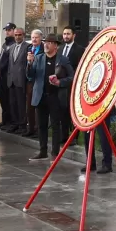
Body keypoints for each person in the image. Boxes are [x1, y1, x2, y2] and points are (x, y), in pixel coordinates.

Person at [43, 27, 76, 159]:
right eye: (45, 42)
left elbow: (72, 76)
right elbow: (31, 75)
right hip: (42, 96)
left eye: (49, 42)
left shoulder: (62, 60)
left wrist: (59, 82)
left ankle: (55, 152)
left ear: (55, 45)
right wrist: (29, 63)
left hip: (56, 96)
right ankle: (42, 150)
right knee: (42, 125)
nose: (46, 44)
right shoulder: (40, 58)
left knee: (56, 124)